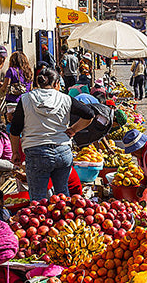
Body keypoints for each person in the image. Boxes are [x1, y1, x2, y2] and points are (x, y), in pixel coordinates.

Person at [9, 67, 94, 201]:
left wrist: (15, 153)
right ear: (56, 84)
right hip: (62, 152)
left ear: (37, 84)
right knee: (63, 197)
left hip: (36, 153)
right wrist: (74, 129)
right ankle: (65, 221)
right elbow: (89, 114)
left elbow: (14, 130)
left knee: (38, 199)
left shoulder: (26, 99)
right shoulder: (65, 98)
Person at [2, 51, 33, 119]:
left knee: (11, 125)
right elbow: (30, 89)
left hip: (12, 102)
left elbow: (5, 87)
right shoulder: (29, 72)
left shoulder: (11, 71)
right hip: (25, 102)